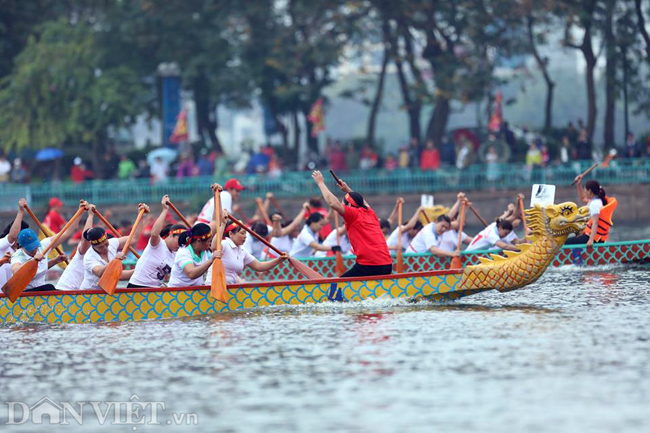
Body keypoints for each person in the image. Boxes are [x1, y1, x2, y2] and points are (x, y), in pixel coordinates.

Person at [312, 170, 392, 278]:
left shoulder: (353, 214)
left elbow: (333, 203)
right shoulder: (370, 213)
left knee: (339, 287)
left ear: (349, 205)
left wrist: (320, 183)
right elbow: (361, 201)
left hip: (369, 265)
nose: (342, 205)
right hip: (387, 265)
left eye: (343, 203)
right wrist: (347, 190)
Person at [11, 201, 81, 292]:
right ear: (22, 247)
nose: (34, 250)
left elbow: (66, 233)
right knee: (49, 287)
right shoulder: (18, 256)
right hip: (25, 293)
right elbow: (16, 271)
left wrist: (80, 212)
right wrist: (33, 260)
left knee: (51, 288)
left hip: (41, 291)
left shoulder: (43, 246)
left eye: (35, 246)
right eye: (30, 248)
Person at [81, 204, 146, 289]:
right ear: (92, 245)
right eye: (100, 247)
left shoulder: (112, 243)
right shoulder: (89, 257)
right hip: (89, 295)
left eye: (106, 244)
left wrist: (141, 217)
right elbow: (99, 272)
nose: (105, 248)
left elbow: (134, 238)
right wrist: (115, 260)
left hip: (107, 292)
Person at [128, 196, 186, 288]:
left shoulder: (176, 254)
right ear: (171, 235)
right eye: (179, 241)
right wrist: (165, 210)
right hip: (138, 286)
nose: (180, 245)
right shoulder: (158, 244)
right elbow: (154, 233)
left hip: (155, 290)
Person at [168, 184, 220, 287]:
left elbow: (215, 220)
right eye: (209, 242)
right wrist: (211, 260)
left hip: (195, 292)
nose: (210, 245)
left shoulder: (203, 243)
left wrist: (216, 195)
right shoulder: (184, 252)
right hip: (177, 295)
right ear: (199, 241)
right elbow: (191, 274)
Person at [208, 219, 289, 284]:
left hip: (229, 288)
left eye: (246, 233)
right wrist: (222, 224)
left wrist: (279, 260)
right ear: (231, 234)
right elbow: (214, 246)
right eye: (242, 233)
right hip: (213, 287)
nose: (245, 236)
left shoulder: (242, 250)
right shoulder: (224, 244)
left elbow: (259, 266)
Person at [565, 177, 617, 246]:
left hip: (593, 238)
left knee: (566, 243)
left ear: (589, 191)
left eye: (585, 189)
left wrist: (591, 240)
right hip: (590, 235)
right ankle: (577, 256)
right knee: (570, 240)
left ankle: (577, 256)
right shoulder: (595, 200)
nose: (585, 191)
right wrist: (579, 184)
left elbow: (595, 223)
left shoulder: (595, 204)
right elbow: (583, 198)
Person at [56, 203, 96, 290]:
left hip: (77, 294)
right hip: (65, 292)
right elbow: (84, 239)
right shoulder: (85, 251)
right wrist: (90, 215)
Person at [0, 199, 29, 289]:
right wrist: (21, 211)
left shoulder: (18, 252)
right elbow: (12, 236)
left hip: (9, 298)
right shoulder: (2, 245)